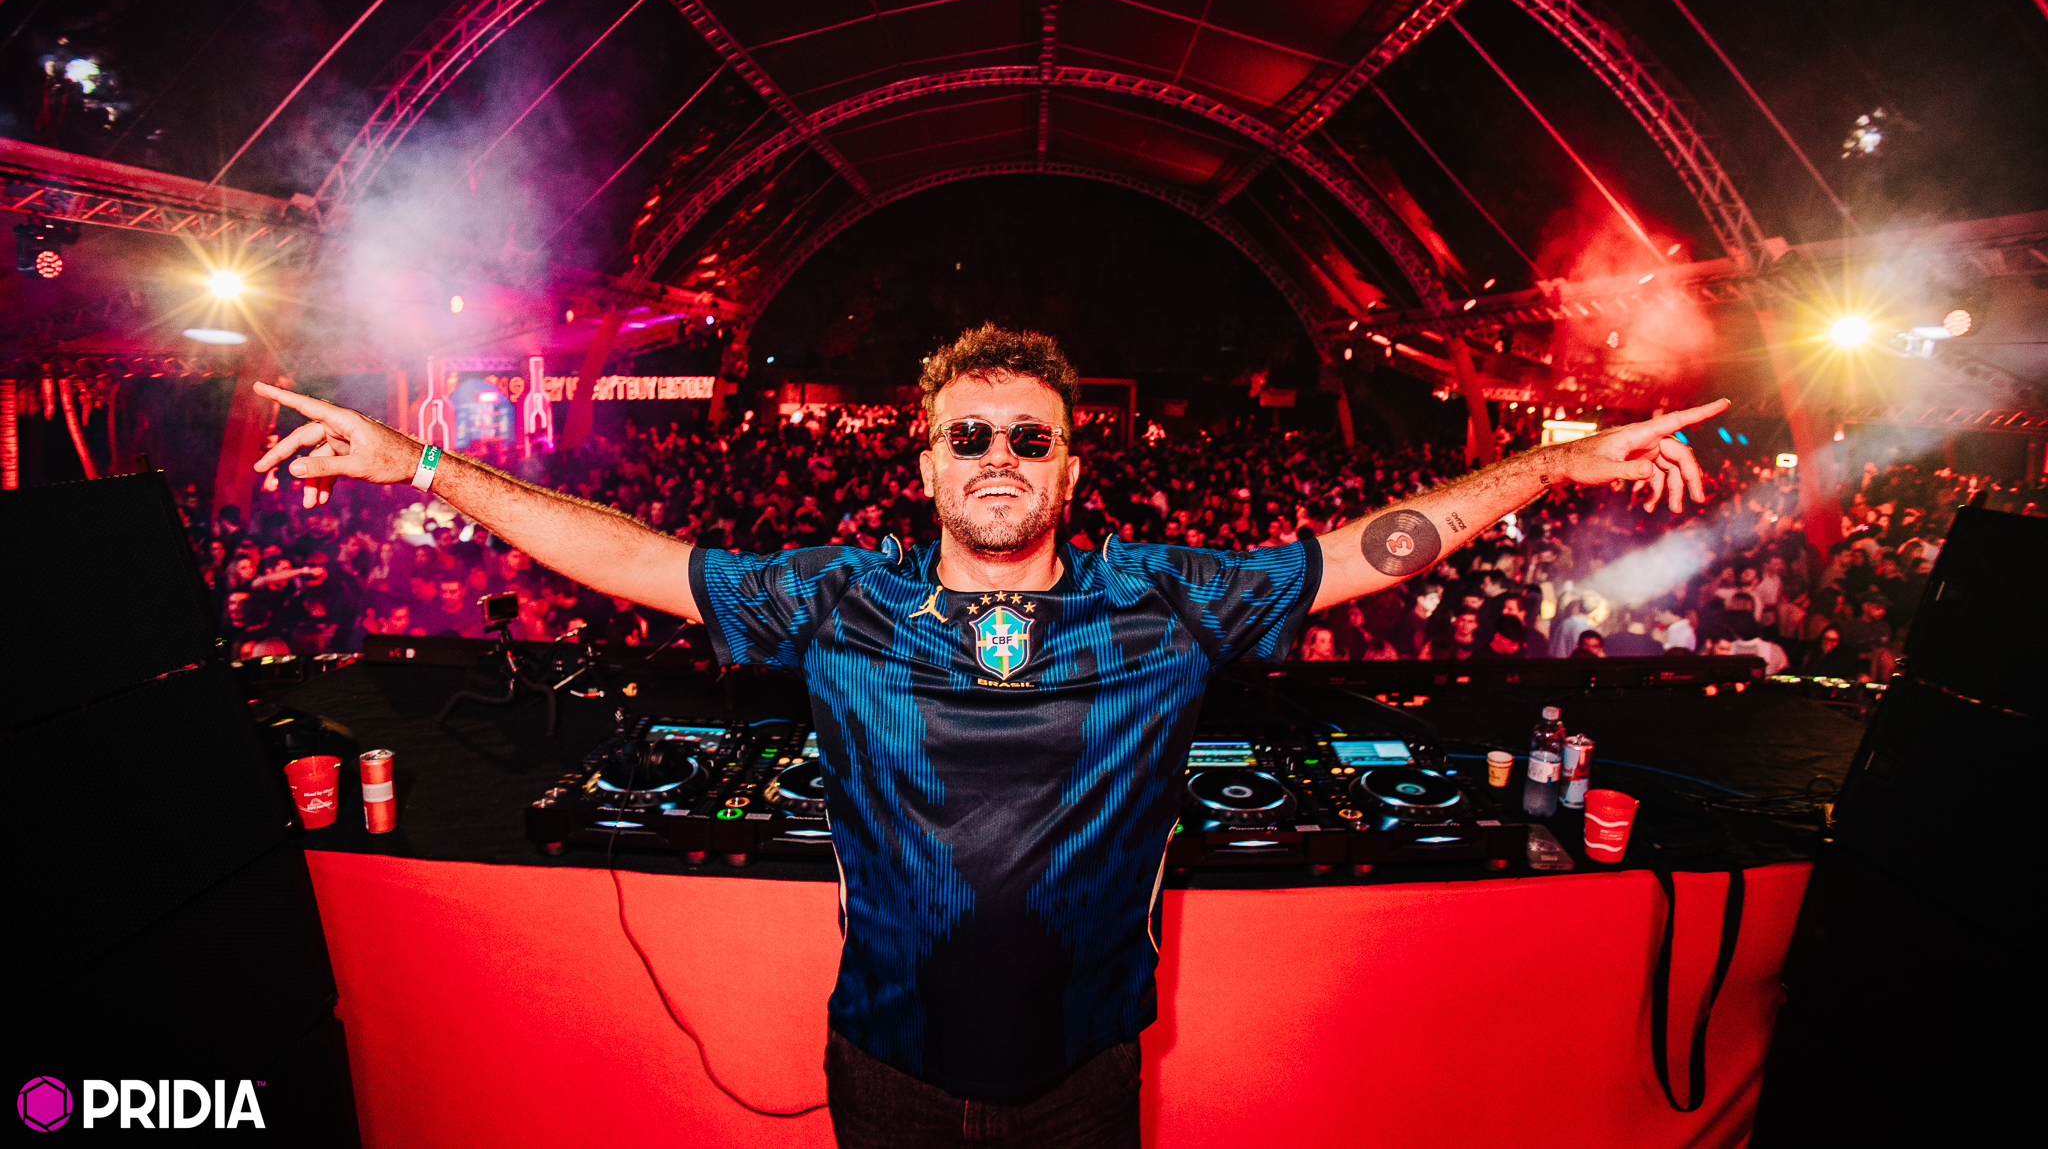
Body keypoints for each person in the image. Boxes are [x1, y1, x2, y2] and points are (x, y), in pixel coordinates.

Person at [252, 325, 1722, 1149]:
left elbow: (1370, 550)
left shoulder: (1165, 598)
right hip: (883, 1061)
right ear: (926, 461)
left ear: (1073, 465)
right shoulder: (841, 598)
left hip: (1083, 1072)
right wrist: (425, 460)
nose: (999, 458)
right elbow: (636, 558)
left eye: (1030, 437)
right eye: (970, 435)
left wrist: (1550, 465)